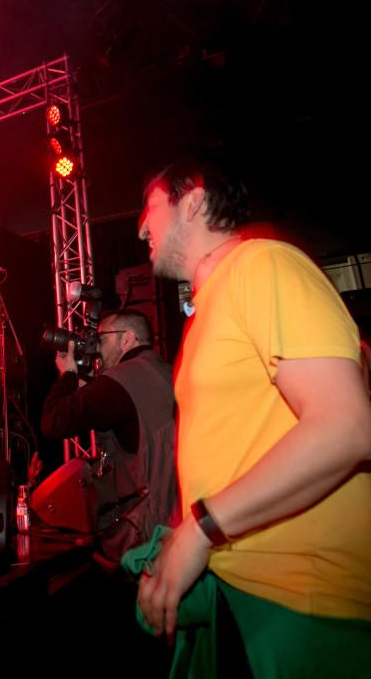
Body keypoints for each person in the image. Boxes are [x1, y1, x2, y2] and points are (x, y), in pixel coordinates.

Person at [135, 154, 371, 676]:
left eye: (149, 208)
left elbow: (347, 427)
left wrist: (202, 528)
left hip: (305, 607)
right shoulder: (208, 309)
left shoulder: (263, 265)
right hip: (243, 597)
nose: (139, 228)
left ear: (192, 200)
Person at [40, 308, 178, 567]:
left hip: (145, 537)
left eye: (102, 339)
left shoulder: (120, 381)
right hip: (175, 520)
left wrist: (68, 375)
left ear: (127, 339)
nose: (96, 348)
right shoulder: (166, 371)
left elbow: (53, 421)